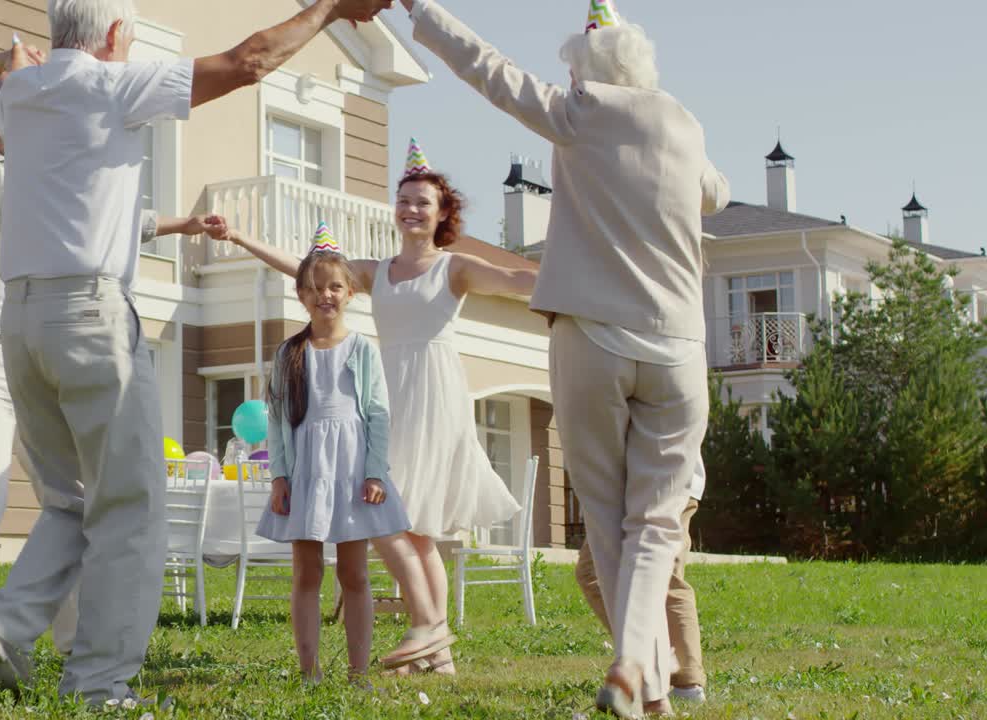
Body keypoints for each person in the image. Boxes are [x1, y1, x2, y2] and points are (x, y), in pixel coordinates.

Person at [0, 0, 395, 707]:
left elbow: (47, 163)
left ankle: (8, 624)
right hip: (89, 315)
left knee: (70, 502)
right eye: (128, 37)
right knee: (131, 508)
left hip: (19, 318)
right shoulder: (108, 83)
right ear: (113, 36)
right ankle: (101, 683)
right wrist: (331, 9)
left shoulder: (19, 92)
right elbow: (248, 63)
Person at [395, 0, 730, 714]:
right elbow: (716, 194)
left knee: (605, 518)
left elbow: (489, 71)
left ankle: (634, 667)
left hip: (595, 338)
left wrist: (422, 9)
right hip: (678, 347)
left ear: (583, 72)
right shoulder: (683, 123)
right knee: (657, 524)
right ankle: (642, 679)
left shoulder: (579, 112)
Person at [0, 37, 219, 684]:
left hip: (37, 353)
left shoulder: (42, 176)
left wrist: (185, 228)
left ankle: (55, 640)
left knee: (80, 501)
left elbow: (117, 219)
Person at [209, 143, 537, 675]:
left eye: (423, 202)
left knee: (397, 522)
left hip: (433, 394)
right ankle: (438, 652)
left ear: (442, 212)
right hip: (384, 393)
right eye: (404, 200)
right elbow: (309, 269)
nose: (411, 209)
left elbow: (518, 282)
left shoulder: (453, 268)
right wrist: (242, 238)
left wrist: (583, 281)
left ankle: (429, 626)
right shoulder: (377, 271)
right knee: (413, 527)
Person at [258, 228, 411, 686]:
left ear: (349, 291)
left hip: (350, 469)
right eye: (315, 287)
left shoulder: (362, 349)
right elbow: (278, 416)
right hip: (307, 469)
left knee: (353, 571)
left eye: (334, 286)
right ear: (301, 293)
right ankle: (309, 671)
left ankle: (358, 671)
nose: (325, 295)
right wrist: (280, 476)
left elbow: (378, 413)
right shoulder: (290, 352)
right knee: (306, 572)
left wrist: (375, 470)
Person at [575, 463, 709, 705]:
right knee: (596, 571)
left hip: (659, 480)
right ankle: (665, 667)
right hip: (653, 482)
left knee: (663, 578)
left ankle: (681, 679)